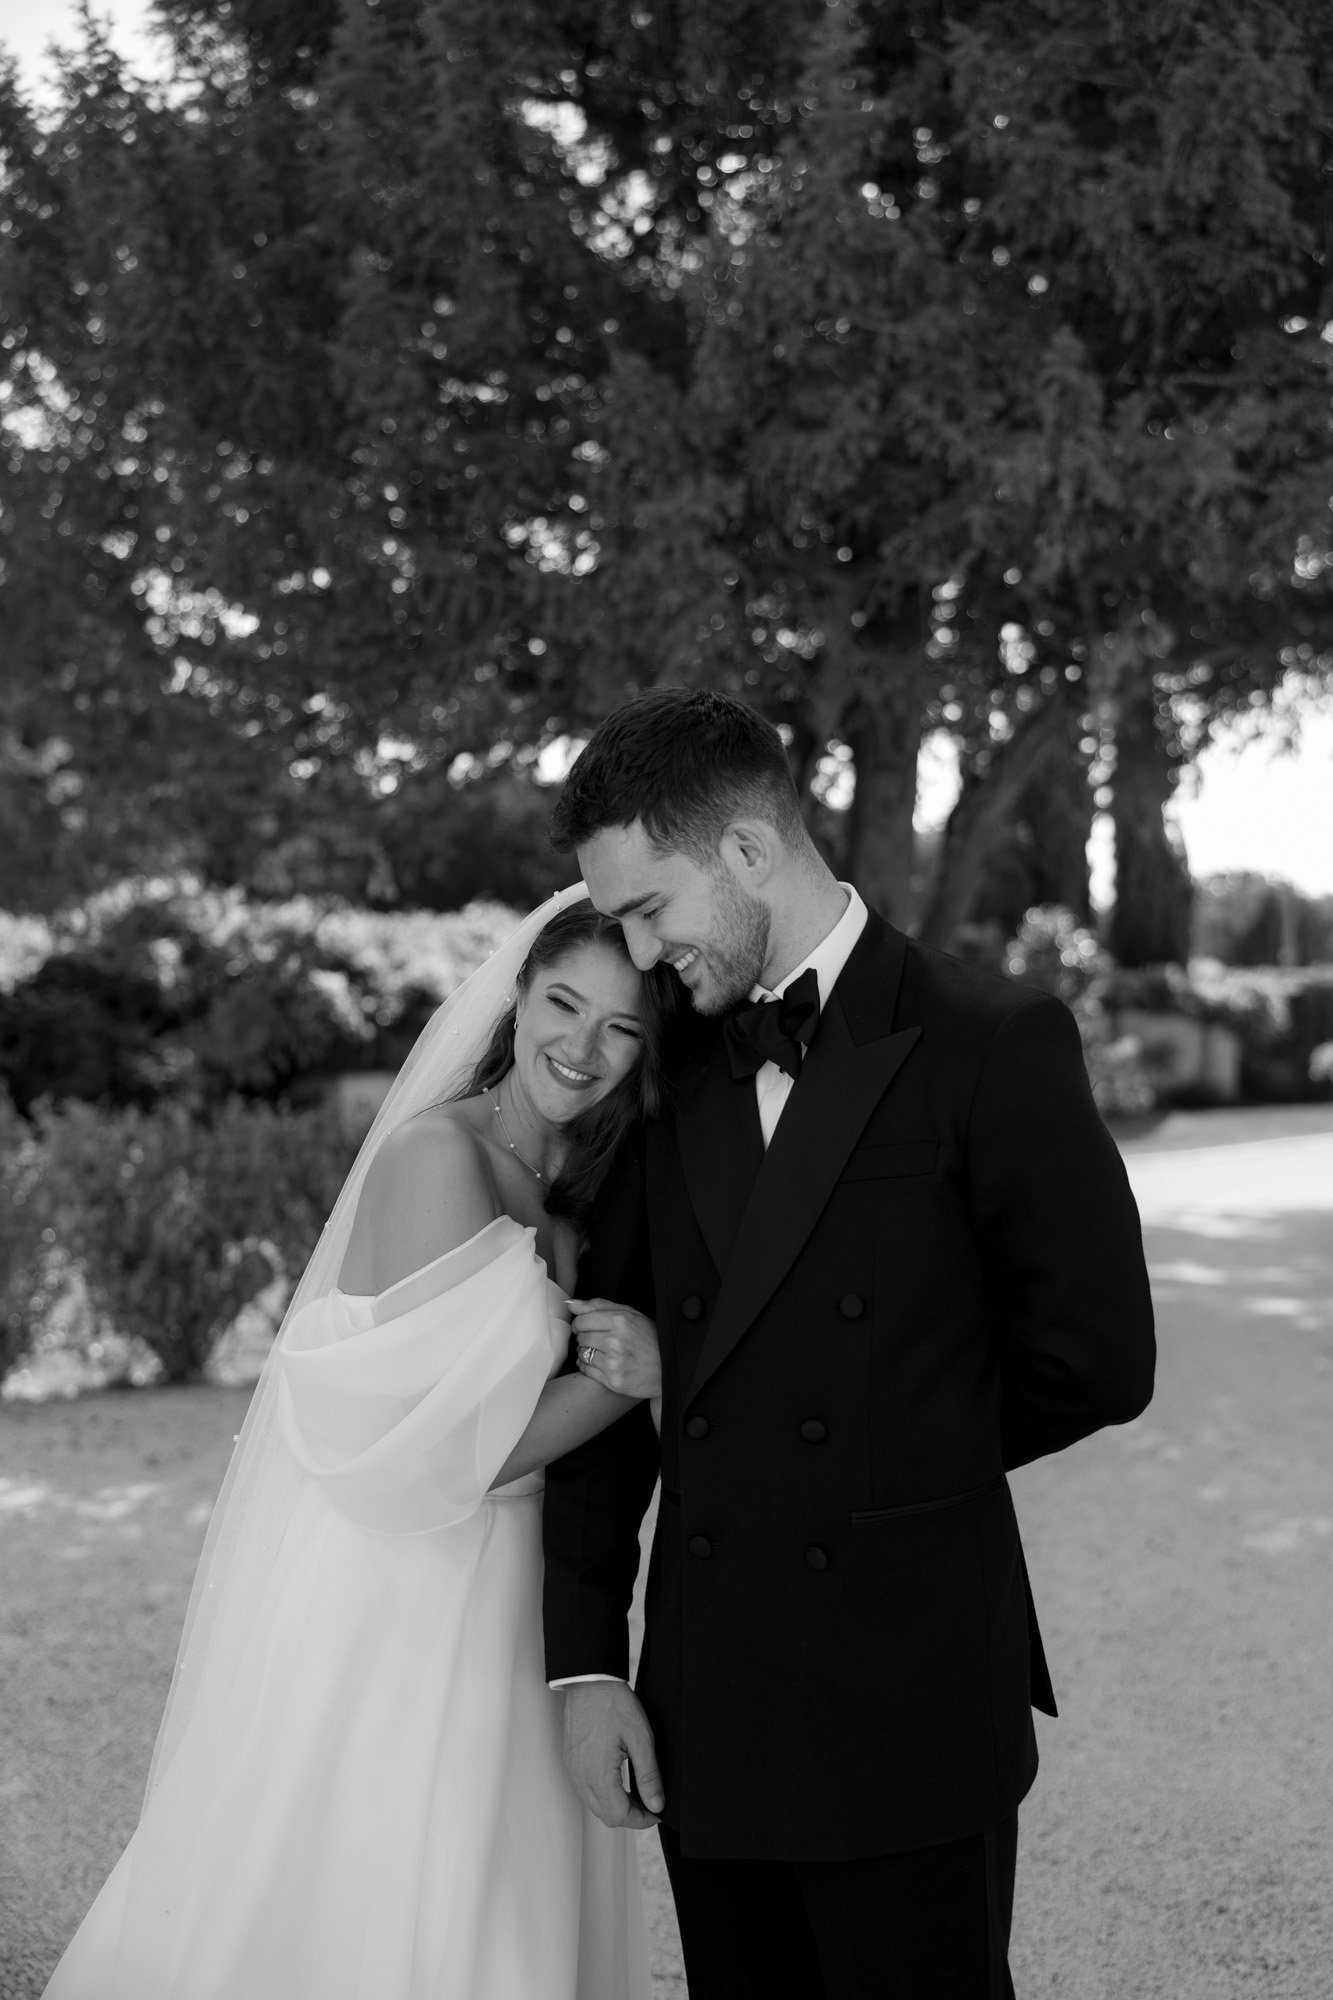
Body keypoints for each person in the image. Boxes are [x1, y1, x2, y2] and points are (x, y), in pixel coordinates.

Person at [541, 689, 1157, 1999]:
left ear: (750, 854)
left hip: (911, 1686)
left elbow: (1099, 1355)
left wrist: (873, 1448)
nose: (638, 956)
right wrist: (584, 1660)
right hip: (709, 1701)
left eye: (650, 909)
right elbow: (600, 1362)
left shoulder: (989, 1040)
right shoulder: (672, 1069)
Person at [43, 892, 672, 2000]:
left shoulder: (577, 1186)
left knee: (494, 1894)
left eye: (619, 1027)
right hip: (409, 1586)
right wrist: (644, 1382)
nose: (580, 1046)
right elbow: (449, 1455)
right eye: (563, 1003)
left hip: (513, 1591)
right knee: (380, 1880)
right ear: (515, 998)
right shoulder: (439, 1157)